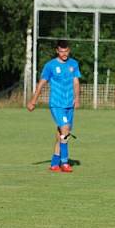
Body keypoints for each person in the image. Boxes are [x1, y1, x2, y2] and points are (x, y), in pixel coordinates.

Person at [27, 40, 81, 173]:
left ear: (69, 50)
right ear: (57, 51)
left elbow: (76, 82)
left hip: (69, 104)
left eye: (66, 51)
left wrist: (77, 98)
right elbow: (41, 83)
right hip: (56, 104)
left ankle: (54, 163)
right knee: (65, 130)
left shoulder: (73, 64)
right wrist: (33, 100)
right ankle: (65, 162)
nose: (64, 54)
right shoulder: (50, 65)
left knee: (61, 134)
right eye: (61, 51)